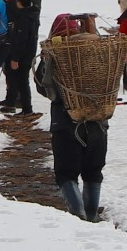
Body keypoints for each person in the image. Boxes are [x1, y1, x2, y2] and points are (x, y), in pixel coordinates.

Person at [34, 12, 110, 222]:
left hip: (65, 122)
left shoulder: (56, 53)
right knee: (93, 172)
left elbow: (43, 87)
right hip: (98, 121)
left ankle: (79, 217)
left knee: (66, 173)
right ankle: (92, 216)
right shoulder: (97, 51)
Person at [0, 0, 41, 115]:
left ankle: (27, 109)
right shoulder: (33, 15)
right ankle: (22, 106)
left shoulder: (23, 19)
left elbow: (21, 40)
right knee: (21, 80)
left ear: (21, 2)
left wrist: (15, 58)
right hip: (29, 53)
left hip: (22, 56)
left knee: (21, 81)